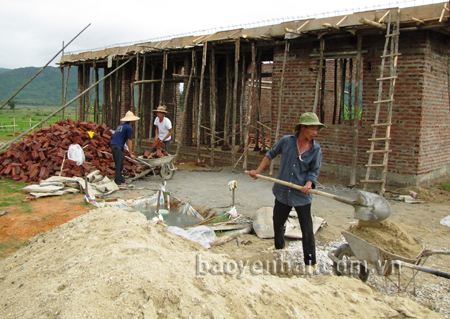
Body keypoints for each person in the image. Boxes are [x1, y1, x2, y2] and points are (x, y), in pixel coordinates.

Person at [248, 112, 326, 275]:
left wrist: (308, 184)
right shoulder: (286, 141)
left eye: (316, 129)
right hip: (283, 191)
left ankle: (310, 262)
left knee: (307, 229)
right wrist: (258, 171)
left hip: (301, 194)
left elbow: (314, 170)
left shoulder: (316, 149)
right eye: (312, 128)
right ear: (303, 128)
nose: (315, 132)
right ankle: (279, 247)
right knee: (277, 221)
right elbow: (270, 154)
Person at [110, 110, 140, 185]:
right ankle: (118, 182)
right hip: (118, 146)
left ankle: (121, 179)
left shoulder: (120, 126)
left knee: (119, 163)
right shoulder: (129, 128)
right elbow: (129, 141)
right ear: (132, 120)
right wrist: (131, 153)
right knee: (119, 164)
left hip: (114, 145)